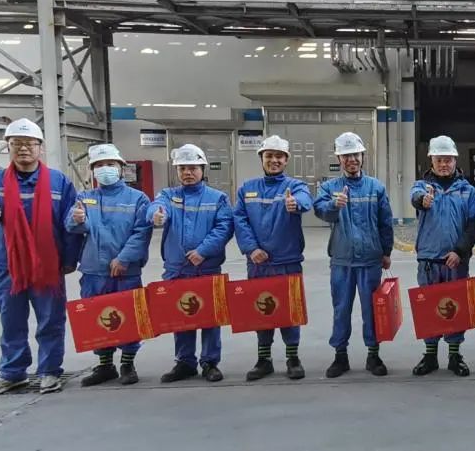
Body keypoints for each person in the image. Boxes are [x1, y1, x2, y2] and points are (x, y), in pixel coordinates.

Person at [0, 118, 82, 395]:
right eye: (16, 143)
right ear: (7, 147)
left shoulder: (58, 182)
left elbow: (69, 223)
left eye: (29, 143)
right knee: (11, 320)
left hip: (47, 264)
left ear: (40, 147)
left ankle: (49, 371)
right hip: (7, 265)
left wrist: (70, 259)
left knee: (50, 320)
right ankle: (12, 372)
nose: (23, 149)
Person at [67, 143, 153, 386]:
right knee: (97, 318)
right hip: (94, 270)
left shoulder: (137, 199)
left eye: (110, 164)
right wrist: (77, 220)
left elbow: (141, 232)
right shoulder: (85, 198)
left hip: (126, 271)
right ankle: (105, 365)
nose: (105, 169)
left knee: (129, 316)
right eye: (100, 165)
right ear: (92, 170)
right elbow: (72, 226)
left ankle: (127, 363)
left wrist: (124, 258)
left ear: (121, 168)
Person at [148, 144, 234, 383]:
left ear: (203, 169)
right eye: (182, 168)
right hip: (177, 269)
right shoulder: (168, 195)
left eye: (193, 168)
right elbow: (156, 207)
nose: (187, 172)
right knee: (181, 315)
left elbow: (224, 227)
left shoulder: (217, 198)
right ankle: (185, 362)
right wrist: (156, 215)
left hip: (206, 268)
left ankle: (210, 362)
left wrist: (203, 251)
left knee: (211, 316)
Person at [233, 135, 313, 382]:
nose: (274, 160)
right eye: (269, 156)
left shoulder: (295, 186)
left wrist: (294, 203)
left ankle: (293, 358)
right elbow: (240, 220)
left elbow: (305, 200)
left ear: (286, 160)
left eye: (279, 156)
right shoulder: (247, 189)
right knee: (262, 312)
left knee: (290, 312)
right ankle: (264, 359)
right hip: (258, 263)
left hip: (287, 261)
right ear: (262, 158)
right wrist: (251, 248)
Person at [314, 131, 394, 378]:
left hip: (370, 259)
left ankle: (373, 355)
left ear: (362, 156)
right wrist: (333, 206)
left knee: (373, 310)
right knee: (341, 309)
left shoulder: (375, 187)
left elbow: (385, 222)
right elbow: (320, 211)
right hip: (342, 260)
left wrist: (386, 251)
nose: (352, 159)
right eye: (346, 155)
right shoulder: (329, 188)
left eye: (355, 154)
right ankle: (340, 356)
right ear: (339, 158)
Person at [410, 136, 475, 377]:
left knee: (456, 309)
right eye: (439, 160)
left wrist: (460, 251)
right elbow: (416, 198)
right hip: (429, 259)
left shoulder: (468, 191)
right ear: (431, 160)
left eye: (448, 160)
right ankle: (430, 355)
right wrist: (423, 201)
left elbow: (473, 225)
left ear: (455, 161)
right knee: (429, 309)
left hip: (456, 260)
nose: (444, 164)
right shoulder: (422, 187)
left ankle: (454, 355)